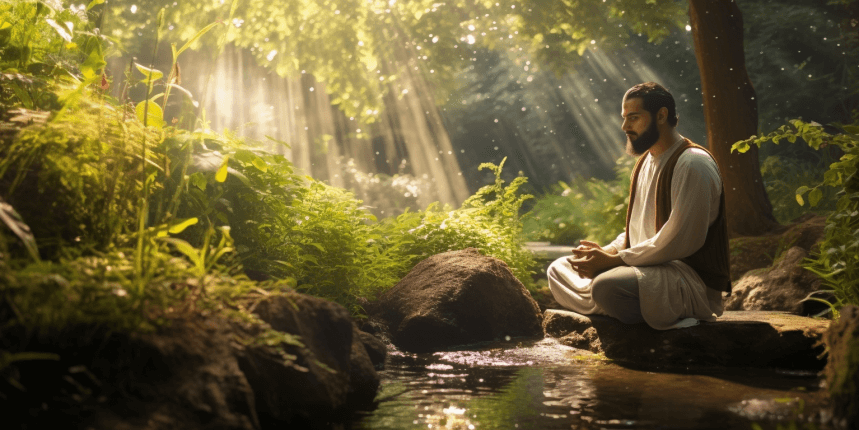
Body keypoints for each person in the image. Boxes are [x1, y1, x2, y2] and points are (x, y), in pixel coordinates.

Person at [546, 82, 731, 329]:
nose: (625, 127)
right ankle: (622, 306)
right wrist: (606, 252)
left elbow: (678, 241)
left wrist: (613, 262)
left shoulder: (693, 164)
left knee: (606, 286)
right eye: (624, 118)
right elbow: (636, 231)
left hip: (686, 279)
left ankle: (655, 313)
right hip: (646, 270)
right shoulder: (645, 162)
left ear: (662, 115)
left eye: (633, 118)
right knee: (558, 269)